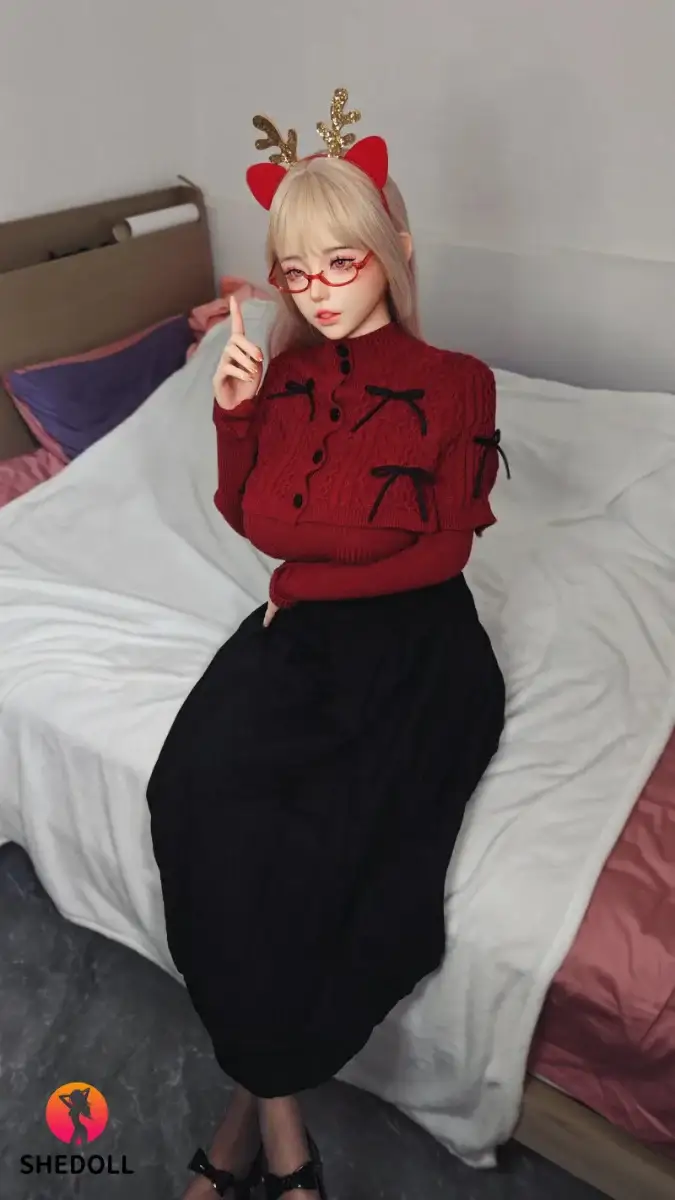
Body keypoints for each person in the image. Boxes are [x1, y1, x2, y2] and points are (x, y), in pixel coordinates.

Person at [146, 87, 508, 1200]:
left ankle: (249, 1128)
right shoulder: (287, 372)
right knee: (189, 795)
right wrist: (235, 414)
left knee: (330, 852)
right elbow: (255, 519)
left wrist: (301, 582)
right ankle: (279, 1120)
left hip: (417, 650)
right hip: (301, 640)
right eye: (296, 273)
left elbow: (444, 551)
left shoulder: (458, 382)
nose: (318, 292)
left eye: (340, 263)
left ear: (392, 254)